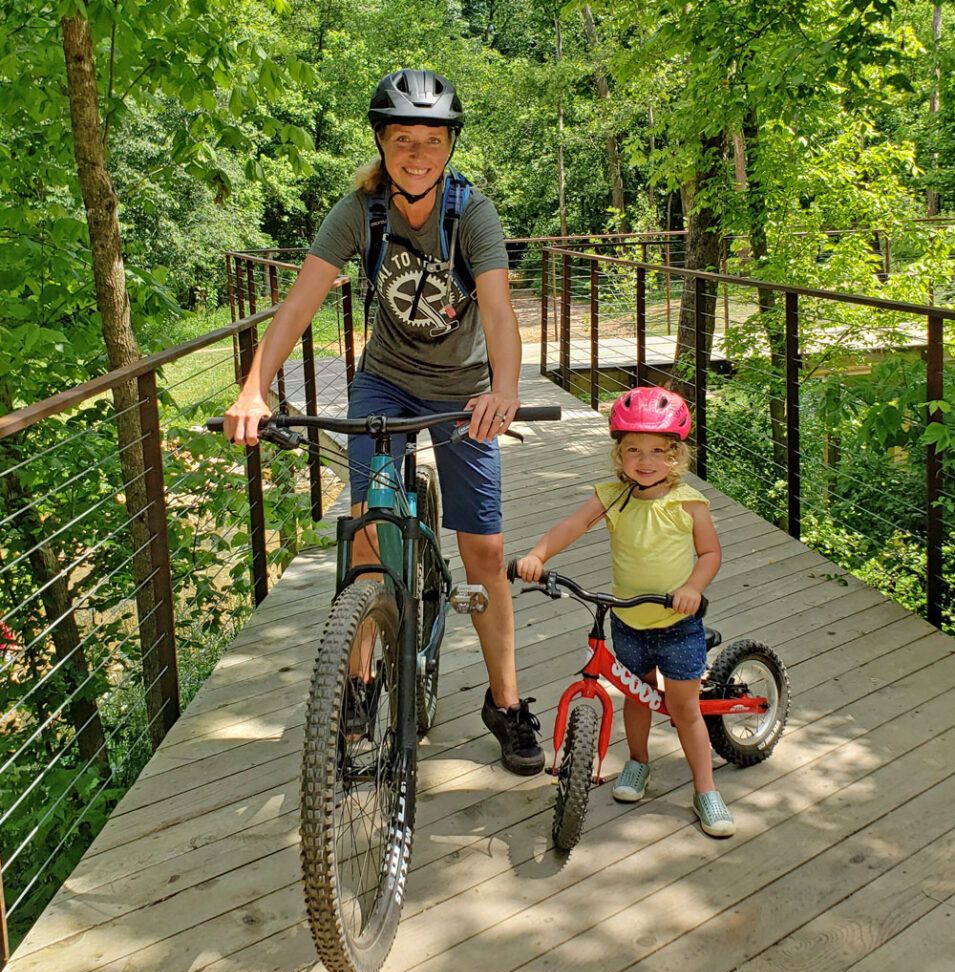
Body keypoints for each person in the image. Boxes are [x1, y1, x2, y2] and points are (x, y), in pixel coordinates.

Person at [223, 69, 544, 775]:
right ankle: (361, 683)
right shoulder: (360, 213)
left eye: (432, 140)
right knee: (368, 526)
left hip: (463, 392)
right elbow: (300, 301)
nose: (417, 153)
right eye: (403, 140)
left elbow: (496, 311)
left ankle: (506, 701)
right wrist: (254, 388)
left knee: (484, 552)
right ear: (382, 142)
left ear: (449, 145)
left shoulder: (472, 215)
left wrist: (506, 388)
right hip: (384, 384)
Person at [515, 386, 735, 836]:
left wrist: (693, 587)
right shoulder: (614, 496)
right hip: (628, 620)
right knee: (636, 697)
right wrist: (538, 555)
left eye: (658, 451)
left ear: (676, 456)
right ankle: (637, 762)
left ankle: (706, 788)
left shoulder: (687, 503)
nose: (645, 460)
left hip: (676, 623)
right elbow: (573, 525)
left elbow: (710, 553)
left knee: (684, 709)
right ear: (619, 455)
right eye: (633, 450)